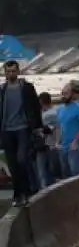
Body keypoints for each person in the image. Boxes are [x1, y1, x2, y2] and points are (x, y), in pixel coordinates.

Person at [0, 60, 43, 206]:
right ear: (4, 73)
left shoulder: (26, 88)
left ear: (18, 72)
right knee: (12, 165)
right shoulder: (2, 90)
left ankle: (26, 191)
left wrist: (38, 127)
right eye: (8, 71)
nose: (11, 73)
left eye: (13, 71)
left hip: (23, 128)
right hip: (7, 130)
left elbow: (35, 108)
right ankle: (18, 194)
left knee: (22, 160)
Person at [55, 83, 79, 178]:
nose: (63, 96)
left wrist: (76, 141)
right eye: (62, 93)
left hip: (75, 147)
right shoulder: (60, 109)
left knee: (76, 175)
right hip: (63, 147)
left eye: (66, 93)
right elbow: (58, 126)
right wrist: (57, 142)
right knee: (66, 175)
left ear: (72, 94)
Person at [34, 93, 59, 189]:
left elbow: (48, 129)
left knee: (46, 170)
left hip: (49, 144)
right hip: (45, 144)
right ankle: (47, 188)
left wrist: (39, 130)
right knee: (46, 170)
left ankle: (46, 189)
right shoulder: (53, 111)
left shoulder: (50, 113)